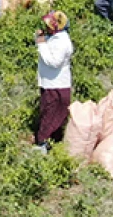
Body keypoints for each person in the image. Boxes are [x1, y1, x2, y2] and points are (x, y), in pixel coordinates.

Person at [34, 10, 73, 152]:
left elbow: (54, 62)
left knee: (51, 114)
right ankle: (49, 143)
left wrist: (41, 43)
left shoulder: (62, 42)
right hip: (50, 83)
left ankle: (43, 144)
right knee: (49, 113)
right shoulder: (54, 38)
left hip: (56, 85)